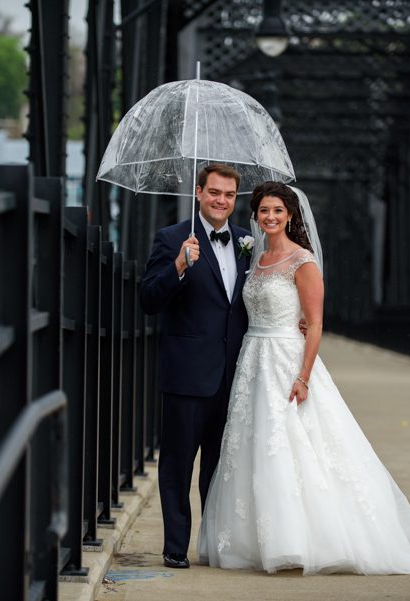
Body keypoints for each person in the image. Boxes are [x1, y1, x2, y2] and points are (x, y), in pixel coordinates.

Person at [197, 181, 410, 575]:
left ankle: (298, 541)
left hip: (286, 360)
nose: (270, 217)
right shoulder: (253, 259)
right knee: (250, 444)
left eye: (277, 210)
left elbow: (316, 322)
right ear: (254, 215)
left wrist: (303, 376)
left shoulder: (302, 260)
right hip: (251, 360)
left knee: (288, 442)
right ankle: (255, 540)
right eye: (263, 210)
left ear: (291, 215)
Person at [140, 163, 252, 570]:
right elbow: (148, 299)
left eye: (229, 195)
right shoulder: (171, 239)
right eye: (214, 192)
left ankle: (214, 544)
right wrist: (179, 267)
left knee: (222, 469)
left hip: (234, 374)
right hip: (187, 374)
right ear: (200, 194)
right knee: (177, 464)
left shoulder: (246, 242)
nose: (221, 201)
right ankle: (174, 547)